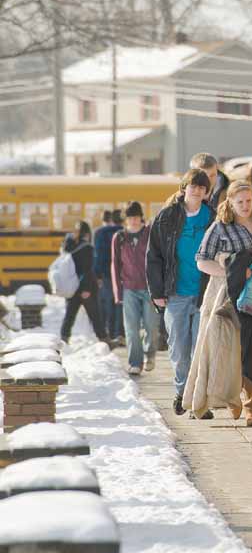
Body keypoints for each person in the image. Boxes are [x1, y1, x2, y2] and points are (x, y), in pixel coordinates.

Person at [193, 180, 252, 426]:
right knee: (237, 347)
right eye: (239, 201)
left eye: (248, 200)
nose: (244, 205)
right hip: (234, 295)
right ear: (230, 202)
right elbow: (202, 260)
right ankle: (236, 399)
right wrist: (233, 272)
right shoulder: (221, 227)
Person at [147, 169, 215, 418]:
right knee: (179, 349)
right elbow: (153, 256)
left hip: (204, 293)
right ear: (184, 188)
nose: (197, 190)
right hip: (174, 293)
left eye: (202, 187)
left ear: (207, 192)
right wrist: (156, 291)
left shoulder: (214, 218)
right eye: (193, 186)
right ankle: (181, 391)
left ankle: (198, 403)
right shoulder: (166, 217)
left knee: (201, 349)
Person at [112, 201, 158, 375]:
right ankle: (135, 362)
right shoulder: (120, 237)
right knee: (131, 328)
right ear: (126, 219)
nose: (133, 221)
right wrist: (118, 291)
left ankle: (150, 354)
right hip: (129, 288)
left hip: (149, 287)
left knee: (151, 326)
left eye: (136, 217)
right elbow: (115, 264)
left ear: (141, 217)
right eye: (130, 217)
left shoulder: (150, 233)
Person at [59, 221, 108, 343]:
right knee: (95, 316)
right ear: (87, 233)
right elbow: (86, 270)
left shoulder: (68, 248)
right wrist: (85, 289)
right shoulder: (86, 248)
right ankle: (104, 339)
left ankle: (63, 339)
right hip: (85, 288)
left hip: (71, 287)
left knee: (69, 316)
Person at [93, 210, 124, 345]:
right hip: (122, 273)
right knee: (121, 303)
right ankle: (120, 333)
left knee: (108, 303)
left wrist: (97, 274)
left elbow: (98, 255)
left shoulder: (100, 233)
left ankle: (110, 332)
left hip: (106, 273)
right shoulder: (125, 232)